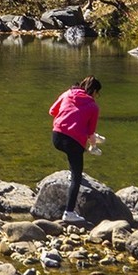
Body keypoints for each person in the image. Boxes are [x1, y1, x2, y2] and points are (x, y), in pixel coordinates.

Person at [49, 75, 102, 224]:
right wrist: (94, 145)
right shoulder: (93, 106)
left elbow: (52, 111)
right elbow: (90, 133)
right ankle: (69, 212)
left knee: (72, 154)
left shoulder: (68, 93)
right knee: (77, 176)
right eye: (97, 93)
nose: (97, 96)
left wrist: (70, 117)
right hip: (73, 141)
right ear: (94, 91)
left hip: (57, 137)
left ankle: (71, 172)